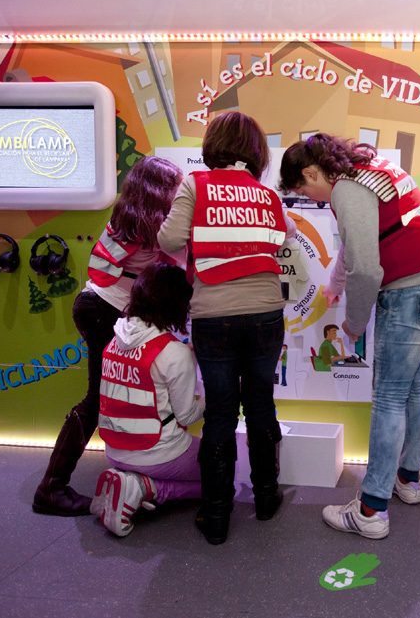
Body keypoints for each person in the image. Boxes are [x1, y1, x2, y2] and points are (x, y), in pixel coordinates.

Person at [279, 134, 420, 539]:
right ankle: (408, 481)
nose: (314, 199)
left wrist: (354, 325)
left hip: (411, 292)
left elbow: (367, 270)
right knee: (413, 389)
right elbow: (359, 244)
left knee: (390, 398)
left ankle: (370, 511)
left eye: (305, 190)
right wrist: (333, 286)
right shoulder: (366, 167)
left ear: (311, 172)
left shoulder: (346, 189)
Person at [158, 111, 292, 545]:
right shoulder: (267, 195)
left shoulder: (196, 185)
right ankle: (267, 500)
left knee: (219, 413)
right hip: (267, 314)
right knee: (260, 406)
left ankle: (216, 516)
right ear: (257, 152)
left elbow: (168, 241)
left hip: (214, 315)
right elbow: (285, 236)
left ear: (213, 144)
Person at [32, 156, 185, 517]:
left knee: (105, 400)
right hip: (103, 311)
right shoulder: (148, 227)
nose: (180, 192)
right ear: (160, 190)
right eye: (175, 186)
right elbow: (175, 253)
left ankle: (115, 478)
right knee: (96, 402)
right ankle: (51, 488)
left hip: (96, 307)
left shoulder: (131, 219)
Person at [90, 262, 203, 537]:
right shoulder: (174, 352)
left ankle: (128, 481)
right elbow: (187, 416)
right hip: (157, 452)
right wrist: (217, 394)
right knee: (222, 476)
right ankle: (145, 488)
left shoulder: (114, 341)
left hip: (114, 449)